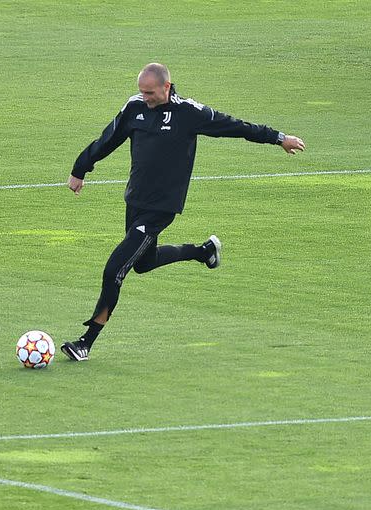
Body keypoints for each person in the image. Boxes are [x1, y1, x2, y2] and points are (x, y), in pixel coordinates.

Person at [60, 62, 305, 361]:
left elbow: (236, 126)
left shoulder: (190, 114)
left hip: (160, 208)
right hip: (135, 200)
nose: (145, 97)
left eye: (150, 92)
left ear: (166, 86)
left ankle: (86, 342)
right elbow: (108, 139)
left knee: (114, 270)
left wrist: (279, 138)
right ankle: (204, 252)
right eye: (141, 91)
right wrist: (80, 169)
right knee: (143, 263)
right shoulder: (134, 108)